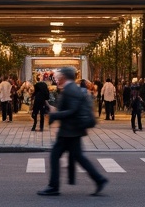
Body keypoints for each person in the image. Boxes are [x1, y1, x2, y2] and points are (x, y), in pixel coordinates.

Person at [37, 67, 108, 197]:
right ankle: (99, 179)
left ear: (65, 77)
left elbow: (72, 111)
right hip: (71, 130)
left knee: (55, 156)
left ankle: (54, 186)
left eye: (59, 76)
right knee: (79, 157)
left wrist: (55, 115)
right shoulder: (71, 89)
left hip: (69, 131)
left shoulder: (70, 90)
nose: (57, 79)